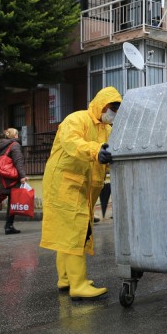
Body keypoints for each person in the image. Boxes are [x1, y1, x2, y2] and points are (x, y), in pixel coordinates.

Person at [39, 86, 120, 301]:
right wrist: (96, 151)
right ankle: (79, 284)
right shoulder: (76, 119)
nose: (113, 113)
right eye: (111, 108)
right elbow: (72, 143)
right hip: (65, 182)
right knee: (76, 229)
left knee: (68, 232)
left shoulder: (107, 129)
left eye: (116, 110)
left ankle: (65, 279)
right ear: (101, 104)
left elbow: (109, 154)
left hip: (82, 185)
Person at [0, 128, 27, 235]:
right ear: (14, 135)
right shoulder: (15, 145)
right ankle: (8, 226)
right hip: (12, 178)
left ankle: (8, 225)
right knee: (12, 202)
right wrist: (22, 176)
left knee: (12, 201)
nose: (18, 136)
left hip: (4, 177)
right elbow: (18, 161)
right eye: (17, 134)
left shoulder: (2, 146)